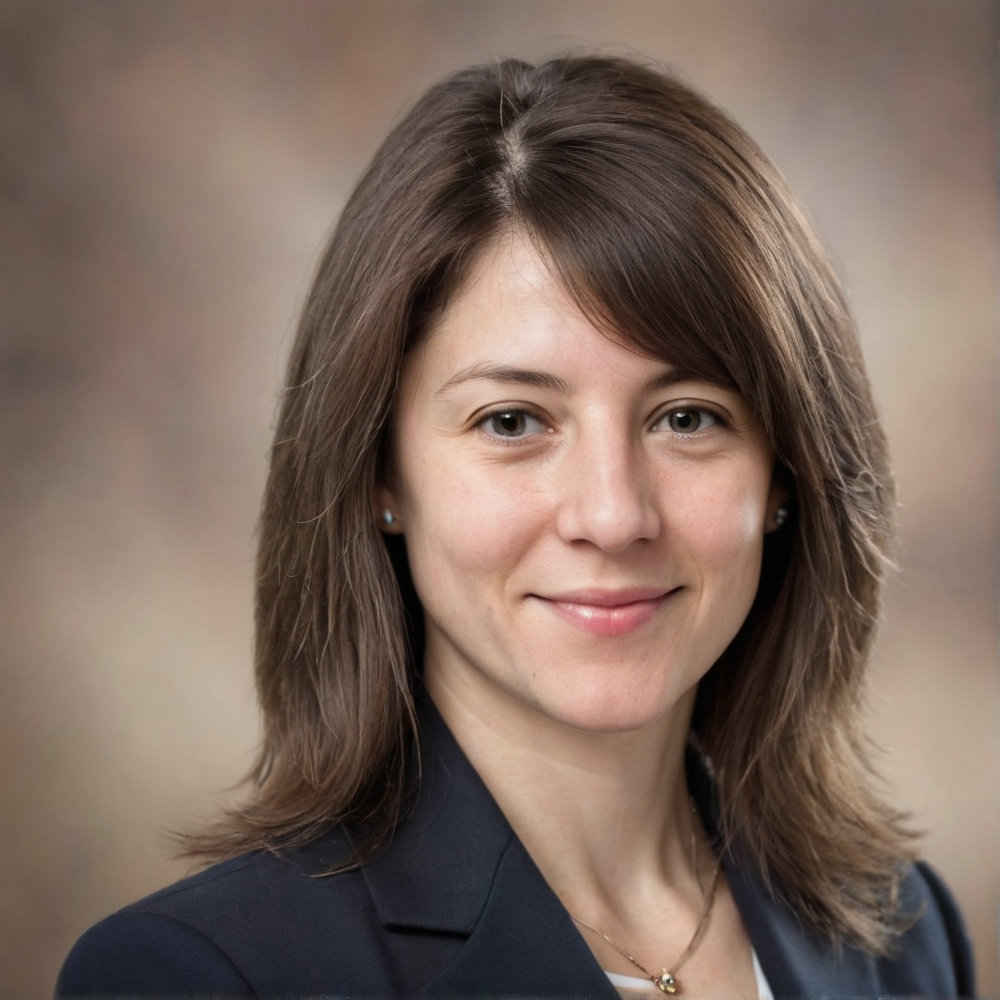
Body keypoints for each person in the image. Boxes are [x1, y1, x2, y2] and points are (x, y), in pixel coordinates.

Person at [57, 54, 974, 999]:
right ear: (381, 474)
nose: (613, 515)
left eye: (687, 417)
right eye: (512, 422)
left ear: (784, 470)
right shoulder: (204, 975)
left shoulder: (901, 938)